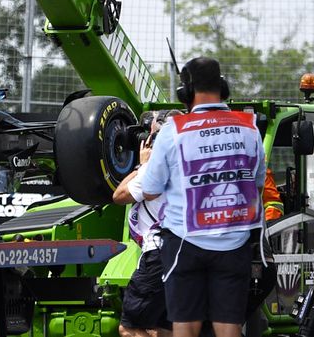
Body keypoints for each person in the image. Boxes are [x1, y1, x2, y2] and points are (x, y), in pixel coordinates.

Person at [140, 57, 265, 337]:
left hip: (184, 242)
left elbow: (149, 190)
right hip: (234, 242)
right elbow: (257, 185)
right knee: (229, 326)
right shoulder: (250, 128)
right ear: (223, 87)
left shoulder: (173, 130)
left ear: (186, 92)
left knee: (186, 325)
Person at [113, 110, 180, 337]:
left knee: (129, 328)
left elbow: (119, 195)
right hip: (185, 254)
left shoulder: (156, 169)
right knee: (162, 330)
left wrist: (142, 165)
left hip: (159, 255)